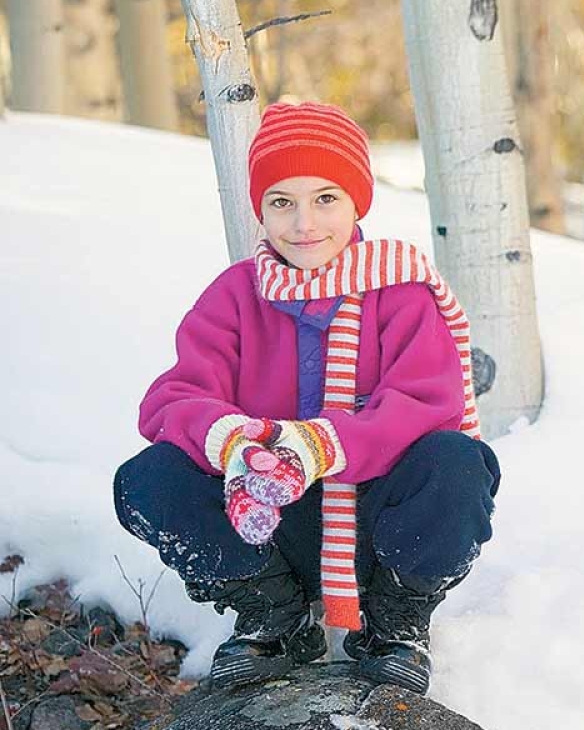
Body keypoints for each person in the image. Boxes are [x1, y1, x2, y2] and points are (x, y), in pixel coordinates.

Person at [113, 101, 500, 696]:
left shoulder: (398, 293)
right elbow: (173, 399)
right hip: (267, 516)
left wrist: (317, 445)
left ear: (356, 202)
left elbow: (428, 404)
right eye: (281, 202)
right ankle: (275, 615)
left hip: (377, 519)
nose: (303, 224)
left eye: (325, 198)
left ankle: (396, 621)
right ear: (261, 210)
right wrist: (239, 440)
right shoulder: (236, 294)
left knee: (456, 461)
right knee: (149, 478)